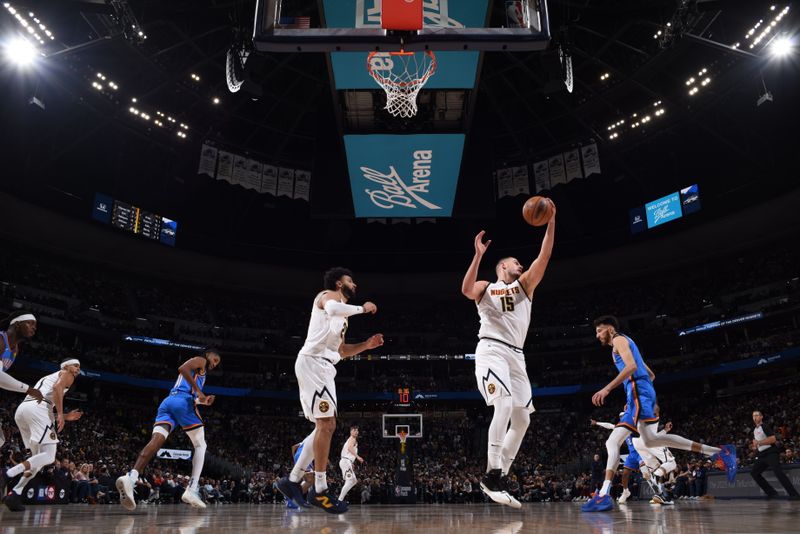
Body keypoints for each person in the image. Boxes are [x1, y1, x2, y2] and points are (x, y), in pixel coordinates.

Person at [582, 316, 737, 512]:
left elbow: (632, 367)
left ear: (610, 329)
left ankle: (603, 495)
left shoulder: (619, 340)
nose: (597, 335)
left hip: (637, 391)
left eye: (599, 331)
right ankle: (719, 452)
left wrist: (607, 389)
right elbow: (651, 374)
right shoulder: (629, 341)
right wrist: (649, 399)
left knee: (612, 443)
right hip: (640, 393)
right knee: (651, 440)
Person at [461, 199, 556, 509]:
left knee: (523, 419)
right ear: (504, 266)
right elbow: (465, 290)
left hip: (517, 356)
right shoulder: (487, 286)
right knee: (501, 403)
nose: (522, 266)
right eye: (516, 263)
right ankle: (491, 473)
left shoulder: (526, 285)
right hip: (491, 350)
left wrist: (551, 222)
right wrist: (477, 256)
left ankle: (500, 474)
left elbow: (544, 256)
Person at [277, 267, 383, 514]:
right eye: (350, 280)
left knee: (324, 426)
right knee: (327, 425)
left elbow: (341, 351)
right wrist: (364, 308)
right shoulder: (327, 296)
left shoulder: (340, 318)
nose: (354, 284)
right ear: (338, 283)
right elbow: (334, 308)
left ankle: (291, 481)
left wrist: (367, 345)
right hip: (313, 363)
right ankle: (320, 489)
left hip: (324, 367)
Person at [116, 348, 221, 511]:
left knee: (156, 441)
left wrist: (203, 400)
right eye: (215, 360)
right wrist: (200, 392)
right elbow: (182, 368)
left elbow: (190, 391)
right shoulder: (201, 361)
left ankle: (131, 477)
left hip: (168, 403)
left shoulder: (200, 372)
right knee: (201, 445)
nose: (214, 364)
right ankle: (192, 490)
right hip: (182, 402)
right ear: (208, 355)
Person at [2, 358, 83, 511]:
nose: (77, 369)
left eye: (79, 367)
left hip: (24, 410)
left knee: (37, 461)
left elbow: (46, 402)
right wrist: (60, 414)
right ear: (66, 366)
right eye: (75, 365)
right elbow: (57, 388)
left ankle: (15, 494)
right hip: (38, 409)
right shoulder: (67, 374)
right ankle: (8, 473)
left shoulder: (49, 376)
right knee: (49, 456)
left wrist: (65, 416)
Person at [750, 410, 799, 500]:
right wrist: (755, 447)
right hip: (762, 454)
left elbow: (773, 439)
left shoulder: (764, 426)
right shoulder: (755, 430)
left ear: (761, 417)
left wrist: (759, 443)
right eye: (753, 416)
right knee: (754, 473)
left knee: (778, 472)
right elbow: (758, 444)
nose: (755, 417)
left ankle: (794, 494)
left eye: (757, 415)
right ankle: (771, 493)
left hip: (771, 452)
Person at [0, 311, 44, 402]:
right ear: (17, 324)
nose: (34, 328)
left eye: (35, 325)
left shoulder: (15, 349)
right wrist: (28, 389)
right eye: (30, 323)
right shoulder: (1, 340)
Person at [339, 425, 365, 503]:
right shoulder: (352, 439)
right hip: (345, 461)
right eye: (354, 430)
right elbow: (350, 448)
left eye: (357, 430)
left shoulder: (353, 440)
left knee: (354, 481)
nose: (356, 432)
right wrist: (358, 457)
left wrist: (351, 462)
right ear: (351, 432)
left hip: (347, 461)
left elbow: (348, 450)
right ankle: (339, 500)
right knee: (350, 481)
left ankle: (340, 499)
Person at [285, 441, 314, 509]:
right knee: (310, 480)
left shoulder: (306, 441)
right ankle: (293, 500)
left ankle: (290, 497)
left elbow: (293, 447)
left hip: (298, 457)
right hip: (305, 457)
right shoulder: (317, 441)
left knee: (300, 480)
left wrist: (295, 460)